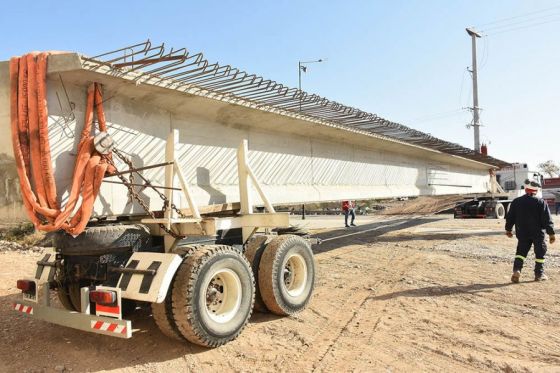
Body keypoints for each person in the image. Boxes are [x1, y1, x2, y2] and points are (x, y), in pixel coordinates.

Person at [506, 179, 555, 283]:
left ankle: (517, 270)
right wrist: (551, 233)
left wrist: (508, 229)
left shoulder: (516, 202)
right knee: (540, 253)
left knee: (521, 252)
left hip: (522, 232)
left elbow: (510, 217)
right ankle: (539, 274)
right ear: (536, 191)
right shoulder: (541, 202)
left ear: (525, 189)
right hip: (538, 233)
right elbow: (547, 219)